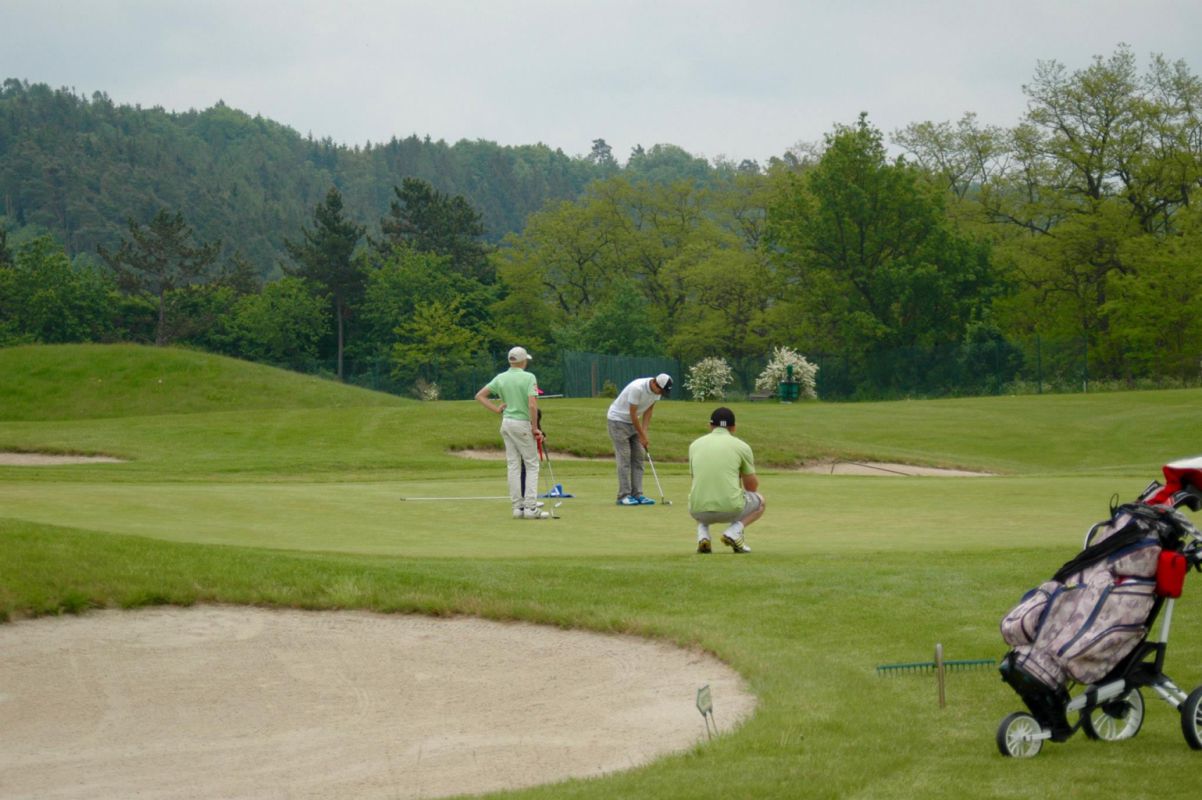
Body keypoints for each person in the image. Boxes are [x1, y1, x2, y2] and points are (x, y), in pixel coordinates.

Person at [475, 346, 544, 519]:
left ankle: (517, 508)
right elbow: (532, 405)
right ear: (523, 361)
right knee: (531, 464)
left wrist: (496, 409)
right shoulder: (529, 377)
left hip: (506, 423)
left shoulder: (501, 377)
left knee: (513, 465)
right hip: (522, 424)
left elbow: (480, 396)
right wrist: (535, 427)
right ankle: (530, 508)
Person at [687, 407, 764, 554]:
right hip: (731, 509)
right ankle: (733, 532)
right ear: (734, 427)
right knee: (761, 502)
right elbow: (751, 487)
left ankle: (703, 534)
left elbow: (695, 478)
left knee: (699, 495)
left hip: (697, 510)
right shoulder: (742, 447)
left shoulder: (694, 445)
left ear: (710, 425)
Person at [606, 373, 672, 505]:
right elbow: (633, 414)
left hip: (633, 422)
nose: (661, 394)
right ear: (655, 383)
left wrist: (644, 433)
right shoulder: (637, 388)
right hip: (617, 421)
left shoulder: (657, 391)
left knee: (639, 457)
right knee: (624, 458)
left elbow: (649, 410)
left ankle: (637, 494)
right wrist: (641, 435)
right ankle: (623, 496)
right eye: (661, 390)